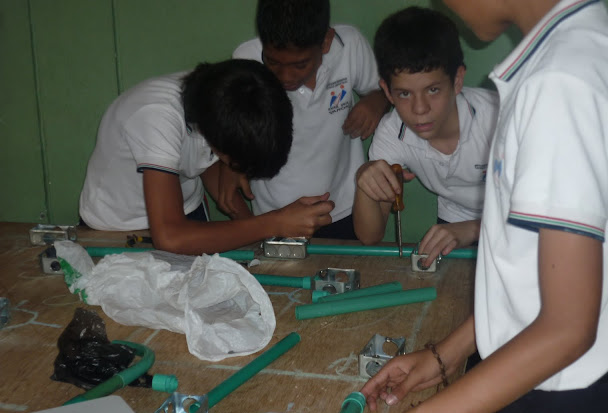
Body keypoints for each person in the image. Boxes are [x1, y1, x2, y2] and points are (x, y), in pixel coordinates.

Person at [303, 0, 608, 413]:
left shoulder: (561, 82)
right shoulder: (573, 54)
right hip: (551, 389)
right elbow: (527, 280)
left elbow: (567, 327)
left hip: (568, 408)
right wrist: (445, 355)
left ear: (457, 81)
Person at [79, 60, 334, 255]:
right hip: (117, 229)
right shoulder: (156, 115)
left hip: (185, 215)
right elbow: (170, 238)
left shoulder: (217, 94)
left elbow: (199, 160)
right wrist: (275, 223)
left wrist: (258, 235)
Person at [229, 0, 389, 240]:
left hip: (344, 205)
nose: (285, 76)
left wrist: (377, 101)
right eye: (272, 62)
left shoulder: (349, 45)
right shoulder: (245, 61)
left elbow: (385, 91)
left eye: (299, 64)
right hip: (277, 214)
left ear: (326, 41)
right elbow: (232, 128)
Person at [353, 6, 498, 267]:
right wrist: (364, 181)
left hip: (513, 224)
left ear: (456, 81)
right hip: (452, 221)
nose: (420, 109)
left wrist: (472, 229)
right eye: (404, 94)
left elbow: (543, 213)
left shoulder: (499, 119)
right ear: (387, 91)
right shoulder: (391, 134)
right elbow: (369, 236)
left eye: (432, 90)